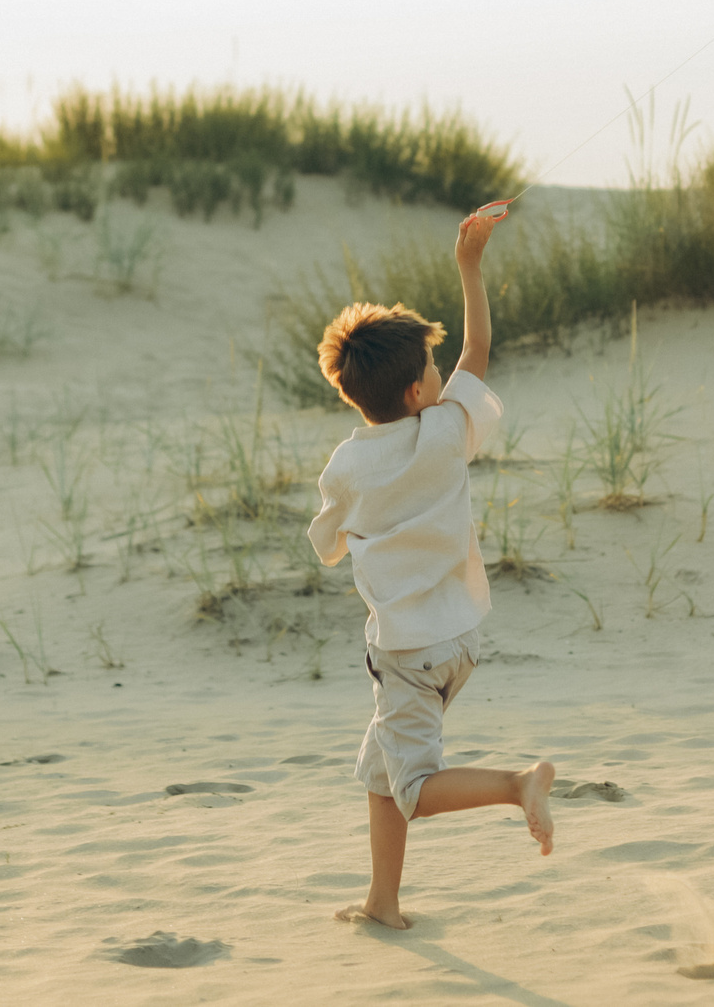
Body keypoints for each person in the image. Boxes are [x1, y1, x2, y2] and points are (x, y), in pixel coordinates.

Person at [307, 201, 555, 930]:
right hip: (461, 642)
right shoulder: (448, 431)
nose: (444, 375)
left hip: (407, 652)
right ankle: (383, 903)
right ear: (419, 392)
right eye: (434, 369)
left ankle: (517, 783)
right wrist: (469, 266)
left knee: (412, 782)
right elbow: (478, 348)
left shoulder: (347, 465)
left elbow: (327, 541)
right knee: (382, 771)